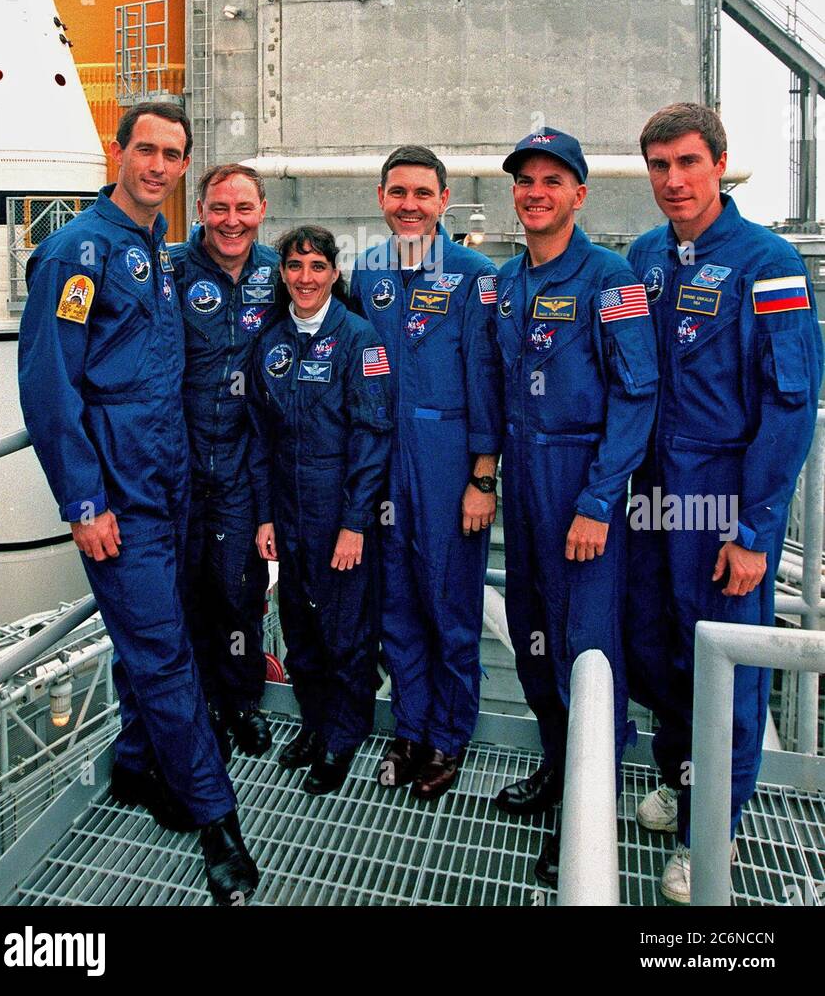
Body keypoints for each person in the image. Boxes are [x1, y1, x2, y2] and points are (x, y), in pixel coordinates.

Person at [17, 102, 258, 907]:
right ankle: (216, 821)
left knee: (152, 642)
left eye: (173, 154)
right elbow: (50, 390)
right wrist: (85, 502)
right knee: (162, 651)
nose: (157, 165)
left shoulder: (153, 249)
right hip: (121, 500)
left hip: (170, 485)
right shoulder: (74, 255)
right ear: (118, 152)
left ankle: (132, 766)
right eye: (145, 150)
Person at [625, 102, 823, 904]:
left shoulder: (767, 264)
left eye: (686, 164)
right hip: (650, 494)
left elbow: (790, 406)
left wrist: (751, 532)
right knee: (657, 645)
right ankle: (679, 775)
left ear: (718, 163)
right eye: (659, 166)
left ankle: (714, 830)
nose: (673, 181)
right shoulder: (641, 258)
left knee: (725, 664)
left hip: (720, 495)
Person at [490, 128, 659, 887]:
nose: (535, 192)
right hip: (525, 484)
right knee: (531, 636)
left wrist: (597, 499)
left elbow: (636, 391)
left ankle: (587, 808)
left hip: (579, 481)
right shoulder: (508, 283)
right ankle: (559, 770)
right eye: (524, 180)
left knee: (585, 649)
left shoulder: (609, 278)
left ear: (578, 194)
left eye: (551, 180)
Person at [350, 146, 503, 800]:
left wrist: (481, 476)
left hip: (446, 459)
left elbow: (488, 379)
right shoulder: (367, 272)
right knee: (397, 604)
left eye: (421, 193)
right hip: (384, 458)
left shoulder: (472, 275)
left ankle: (447, 736)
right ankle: (408, 727)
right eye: (396, 193)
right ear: (381, 198)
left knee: (449, 605)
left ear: (443, 200)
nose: (408, 205)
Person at [250, 226, 393, 795]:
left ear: (335, 273)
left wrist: (355, 523)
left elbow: (373, 432)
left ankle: (342, 735)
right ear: (282, 274)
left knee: (346, 633)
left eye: (316, 267)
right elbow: (260, 438)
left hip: (341, 511)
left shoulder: (361, 339)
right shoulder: (273, 341)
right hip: (289, 510)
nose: (304, 278)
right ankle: (313, 723)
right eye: (294, 266)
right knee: (301, 628)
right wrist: (264, 517)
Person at [169, 164, 278, 762]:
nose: (230, 221)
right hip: (180, 465)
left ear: (262, 209)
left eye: (243, 208)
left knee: (238, 592)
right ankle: (199, 709)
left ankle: (241, 704)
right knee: (184, 594)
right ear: (202, 211)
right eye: (218, 208)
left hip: (243, 468)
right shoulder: (171, 271)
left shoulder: (280, 274)